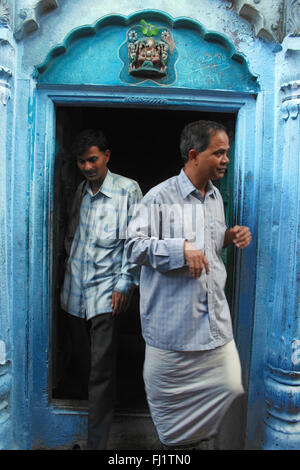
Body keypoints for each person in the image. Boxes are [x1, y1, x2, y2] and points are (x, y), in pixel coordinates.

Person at [125, 120, 251, 449]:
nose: (226, 159)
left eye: (227, 152)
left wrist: (228, 236)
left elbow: (206, 246)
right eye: (219, 153)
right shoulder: (159, 197)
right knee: (177, 432)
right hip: (173, 337)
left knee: (224, 408)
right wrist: (178, 248)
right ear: (194, 155)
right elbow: (133, 247)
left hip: (213, 331)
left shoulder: (214, 198)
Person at [60, 129, 142, 450]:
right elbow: (71, 235)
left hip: (106, 295)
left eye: (92, 159)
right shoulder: (80, 189)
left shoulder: (127, 190)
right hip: (73, 293)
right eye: (81, 162)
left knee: (100, 371)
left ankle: (97, 444)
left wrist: (125, 284)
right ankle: (86, 413)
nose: (87, 167)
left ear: (107, 156)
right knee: (83, 363)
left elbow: (136, 243)